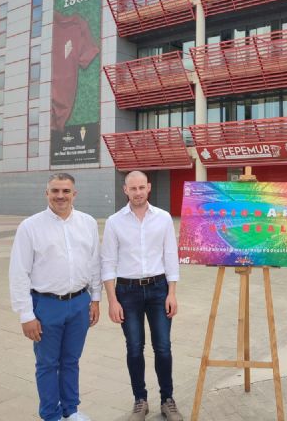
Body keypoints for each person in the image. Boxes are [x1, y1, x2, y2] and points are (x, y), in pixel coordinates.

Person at [9, 173, 101, 421]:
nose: (60, 196)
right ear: (46, 193)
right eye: (55, 191)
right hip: (46, 304)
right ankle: (51, 415)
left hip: (80, 303)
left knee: (71, 360)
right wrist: (26, 315)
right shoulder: (30, 227)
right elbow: (19, 272)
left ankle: (70, 410)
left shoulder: (88, 223)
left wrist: (95, 299)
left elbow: (94, 264)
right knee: (48, 363)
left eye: (66, 191)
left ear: (75, 194)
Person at [101, 171, 183, 421]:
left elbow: (171, 256)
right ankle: (140, 400)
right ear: (125, 190)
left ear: (148, 188)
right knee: (134, 348)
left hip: (159, 290)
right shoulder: (114, 222)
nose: (137, 192)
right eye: (132, 188)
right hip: (127, 292)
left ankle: (167, 399)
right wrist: (112, 300)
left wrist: (172, 293)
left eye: (141, 187)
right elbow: (108, 263)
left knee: (163, 348)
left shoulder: (163, 218)